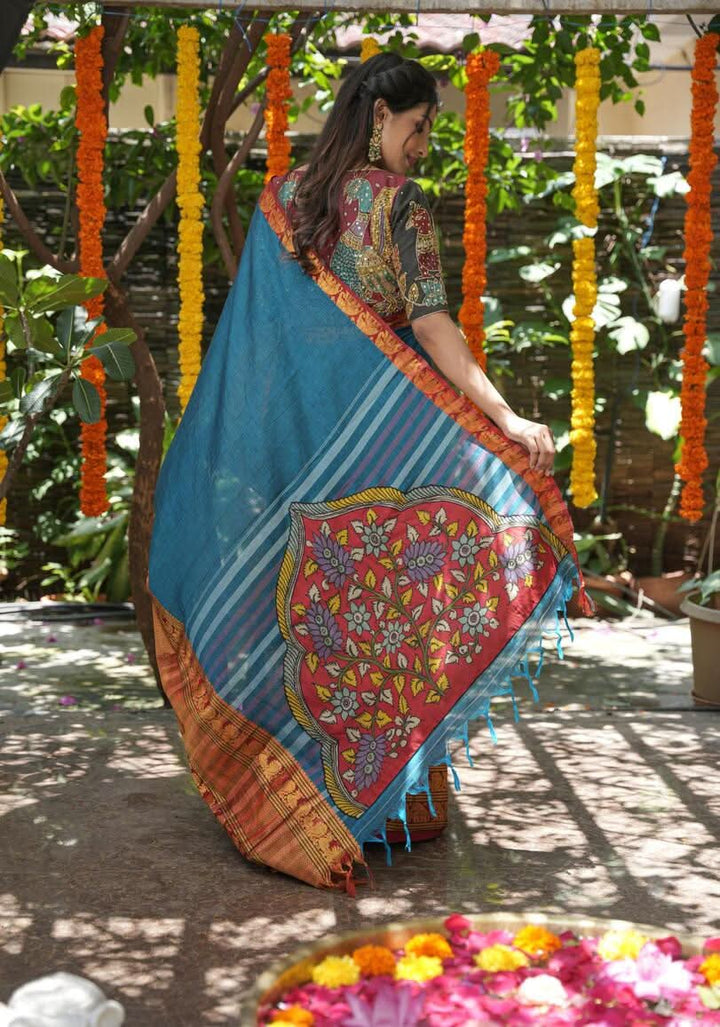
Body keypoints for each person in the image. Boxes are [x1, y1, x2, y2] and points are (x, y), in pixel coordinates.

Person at [148, 52, 591, 890]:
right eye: (419, 127)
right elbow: (431, 329)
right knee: (388, 624)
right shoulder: (400, 207)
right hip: (376, 465)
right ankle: (377, 805)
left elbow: (266, 343)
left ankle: (291, 807)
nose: (425, 145)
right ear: (380, 117)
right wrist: (503, 417)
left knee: (307, 632)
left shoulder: (283, 201)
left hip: (293, 462)